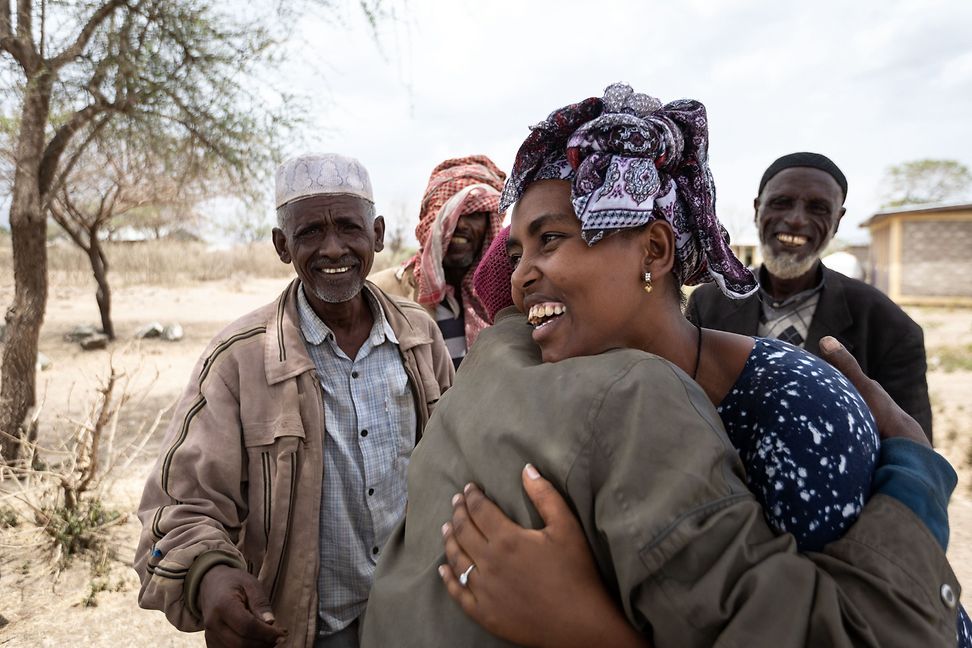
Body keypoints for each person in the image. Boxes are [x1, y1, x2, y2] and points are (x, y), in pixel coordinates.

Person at [359, 85, 961, 648]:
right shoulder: (564, 386)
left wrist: (588, 625)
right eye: (517, 251)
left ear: (654, 250)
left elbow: (849, 626)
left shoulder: (792, 408)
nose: (517, 276)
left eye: (552, 240)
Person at [134, 153, 454, 648]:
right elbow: (181, 506)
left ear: (378, 234)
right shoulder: (237, 359)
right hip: (305, 631)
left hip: (414, 617)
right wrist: (211, 574)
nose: (333, 249)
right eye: (309, 233)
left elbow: (454, 464)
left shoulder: (420, 336)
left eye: (349, 227)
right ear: (283, 246)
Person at [686, 152, 933, 441]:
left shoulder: (889, 327)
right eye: (781, 203)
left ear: (838, 221)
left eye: (818, 208)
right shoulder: (707, 304)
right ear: (757, 209)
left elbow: (915, 456)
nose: (795, 220)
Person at [371, 155, 506, 369]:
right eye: (450, 215)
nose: (460, 225)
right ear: (430, 222)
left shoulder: (506, 297)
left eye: (473, 214)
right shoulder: (382, 293)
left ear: (489, 224)